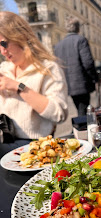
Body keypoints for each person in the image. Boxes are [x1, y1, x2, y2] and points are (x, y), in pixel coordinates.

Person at [0, 11, 68, 158]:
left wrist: (19, 87)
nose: (3, 51)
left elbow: (59, 113)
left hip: (36, 147)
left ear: (20, 36)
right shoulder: (4, 69)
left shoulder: (48, 68)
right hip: (5, 141)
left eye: (4, 43)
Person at [54, 16, 97, 116]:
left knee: (80, 109)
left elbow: (57, 67)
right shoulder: (81, 40)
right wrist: (95, 78)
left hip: (69, 85)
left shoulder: (58, 45)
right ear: (78, 28)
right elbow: (88, 63)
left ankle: (79, 128)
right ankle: (80, 129)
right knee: (83, 113)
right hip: (82, 84)